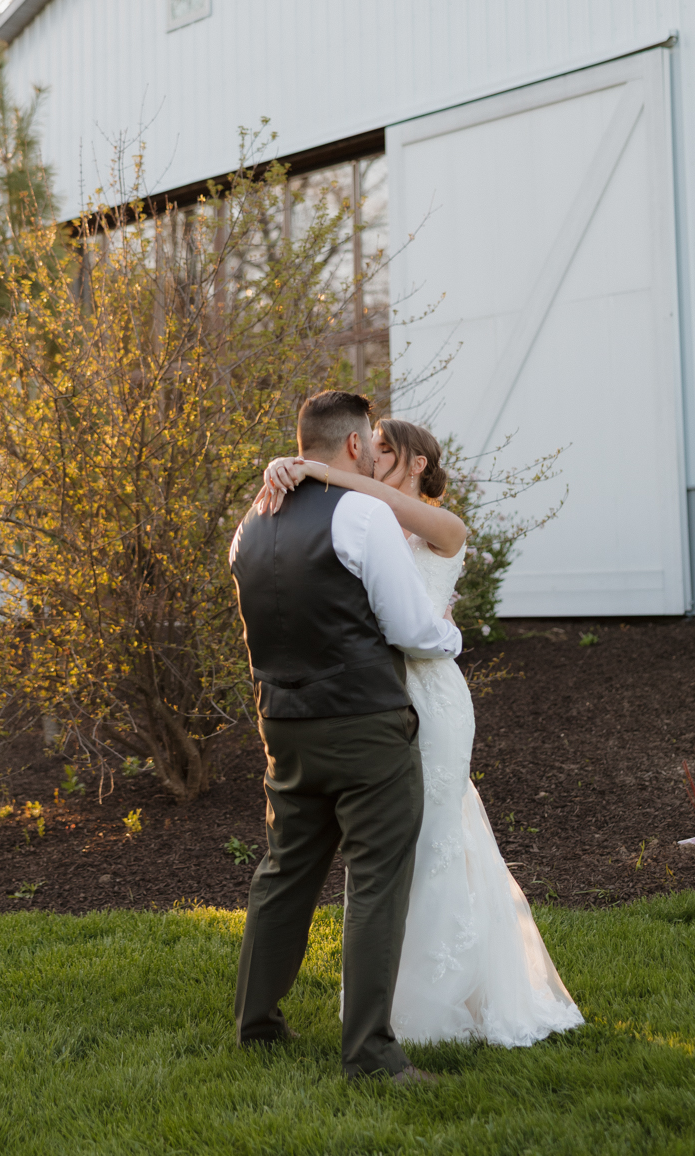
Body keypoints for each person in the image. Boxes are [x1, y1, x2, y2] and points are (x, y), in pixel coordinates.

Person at [262, 417, 584, 1049]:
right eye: (367, 449)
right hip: (370, 700)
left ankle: (446, 1000)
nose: (370, 459)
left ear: (412, 462)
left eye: (382, 451)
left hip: (431, 700)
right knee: (386, 848)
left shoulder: (442, 527)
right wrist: (290, 470)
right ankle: (393, 1002)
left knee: (435, 832)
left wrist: (323, 472)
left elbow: (387, 525)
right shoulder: (359, 525)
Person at [228, 390, 462, 1084]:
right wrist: (451, 633)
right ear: (356, 446)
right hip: (365, 725)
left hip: (284, 726)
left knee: (284, 871)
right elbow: (411, 630)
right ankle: (370, 1054)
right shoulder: (361, 514)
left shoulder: (250, 522)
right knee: (375, 882)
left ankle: (257, 1024)